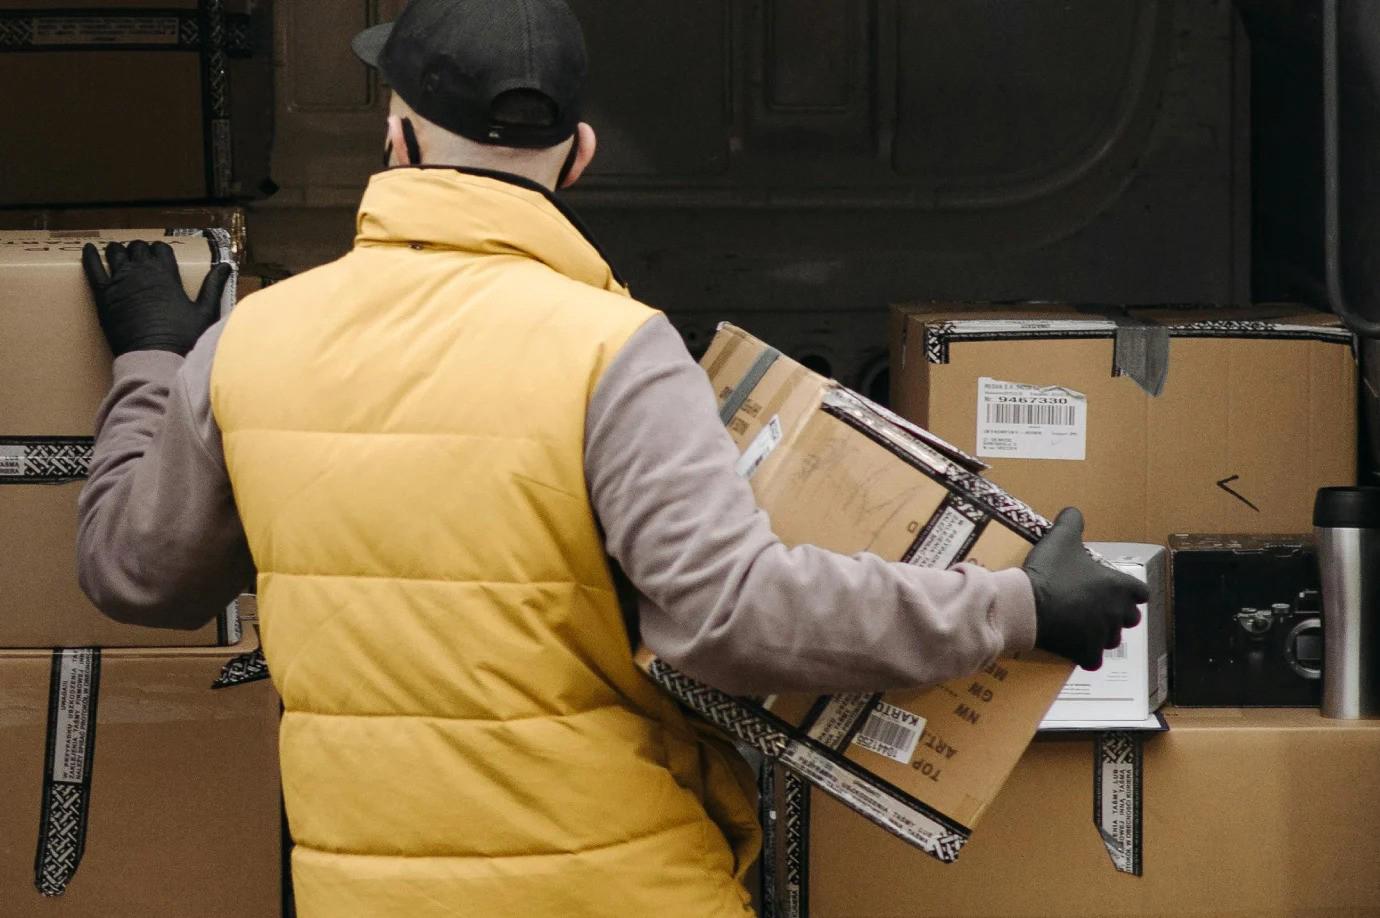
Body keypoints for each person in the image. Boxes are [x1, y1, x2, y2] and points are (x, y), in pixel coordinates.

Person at [74, 1, 1145, 915]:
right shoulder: (612, 351)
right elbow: (736, 617)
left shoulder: (248, 347)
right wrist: (1019, 608)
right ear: (578, 156)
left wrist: (153, 363)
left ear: (395, 139)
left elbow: (136, 572)